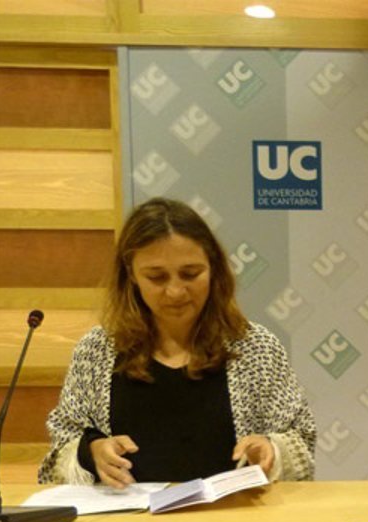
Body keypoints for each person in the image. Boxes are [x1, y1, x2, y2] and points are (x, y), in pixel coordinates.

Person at [39, 198, 316, 486]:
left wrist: (272, 451)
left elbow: (301, 442)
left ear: (214, 268)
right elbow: (58, 456)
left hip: (235, 513)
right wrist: (90, 452)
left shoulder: (256, 347)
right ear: (131, 274)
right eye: (156, 277)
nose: (175, 291)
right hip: (129, 515)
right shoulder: (96, 351)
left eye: (190, 274)